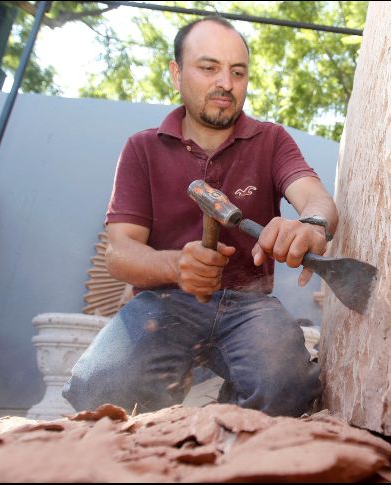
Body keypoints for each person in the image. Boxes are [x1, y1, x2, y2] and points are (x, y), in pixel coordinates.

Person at [62, 16, 338, 417]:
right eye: (209, 68)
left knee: (287, 390)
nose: (225, 82)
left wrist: (311, 225)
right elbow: (118, 252)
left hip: (250, 306)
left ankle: (228, 411)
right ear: (176, 73)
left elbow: (316, 198)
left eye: (237, 72)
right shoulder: (142, 149)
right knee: (99, 392)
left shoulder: (271, 139)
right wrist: (176, 265)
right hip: (163, 302)